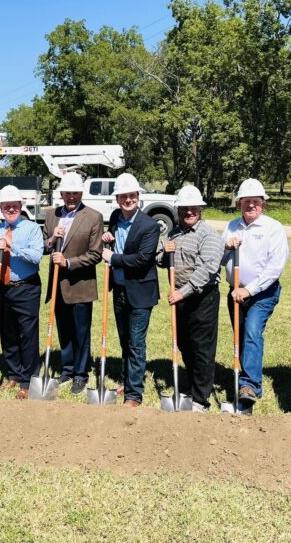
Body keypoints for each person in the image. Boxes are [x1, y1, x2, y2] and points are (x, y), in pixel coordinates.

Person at [221, 179, 288, 406]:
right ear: (239, 203)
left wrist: (248, 290)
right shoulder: (231, 226)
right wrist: (226, 248)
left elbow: (275, 267)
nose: (251, 205)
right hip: (235, 292)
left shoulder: (273, 228)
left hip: (262, 293)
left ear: (263, 204)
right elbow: (218, 260)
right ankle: (242, 379)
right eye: (246, 201)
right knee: (240, 336)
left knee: (251, 332)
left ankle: (249, 385)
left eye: (255, 202)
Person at [156, 185, 223, 412]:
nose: (189, 212)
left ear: (200, 209)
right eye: (184, 208)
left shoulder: (209, 235)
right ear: (179, 210)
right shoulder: (173, 232)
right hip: (180, 297)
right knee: (184, 344)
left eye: (193, 208)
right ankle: (192, 384)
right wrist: (166, 251)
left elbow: (207, 270)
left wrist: (181, 293)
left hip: (202, 297)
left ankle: (200, 399)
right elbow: (160, 260)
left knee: (201, 347)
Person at [101, 173, 160, 407]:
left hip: (141, 293)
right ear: (117, 199)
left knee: (136, 342)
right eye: (123, 196)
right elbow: (114, 237)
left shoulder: (149, 225)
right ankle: (127, 380)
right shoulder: (116, 217)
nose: (128, 200)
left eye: (132, 195)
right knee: (125, 340)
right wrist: (108, 236)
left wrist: (113, 257)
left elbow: (143, 260)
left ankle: (134, 395)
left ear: (138, 197)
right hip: (119, 290)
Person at [0, 185, 43, 400]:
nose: (10, 210)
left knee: (28, 334)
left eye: (14, 206)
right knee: (7, 332)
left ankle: (28, 380)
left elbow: (36, 257)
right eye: (6, 207)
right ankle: (14, 374)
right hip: (3, 287)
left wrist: (12, 246)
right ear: (1, 208)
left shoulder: (32, 228)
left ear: (20, 206)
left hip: (26, 287)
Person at [44, 172, 103, 395]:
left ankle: (81, 373)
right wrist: (51, 240)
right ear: (61, 194)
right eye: (68, 193)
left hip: (80, 284)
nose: (71, 197)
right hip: (57, 285)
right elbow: (44, 245)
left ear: (81, 193)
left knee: (81, 332)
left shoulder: (93, 217)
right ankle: (67, 369)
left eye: (75, 193)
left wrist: (68, 262)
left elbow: (95, 254)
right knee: (64, 330)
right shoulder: (51, 216)